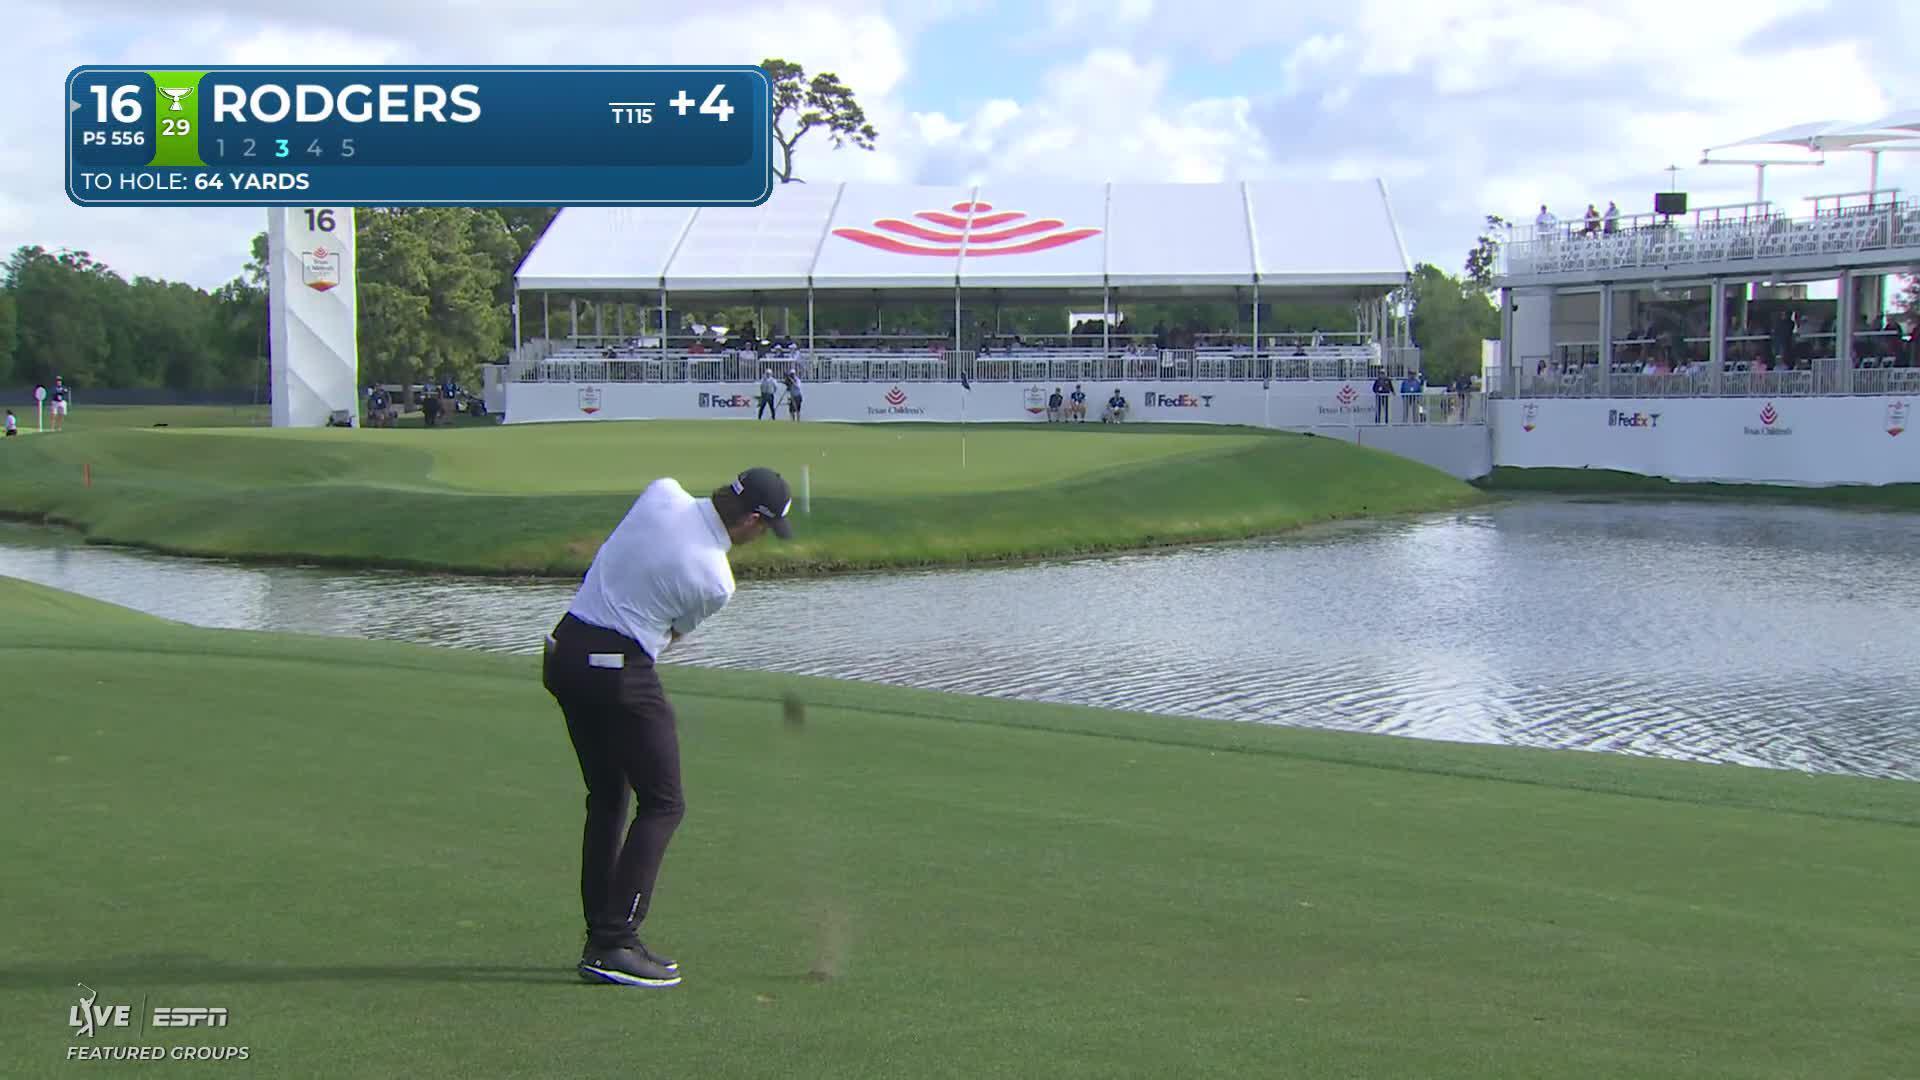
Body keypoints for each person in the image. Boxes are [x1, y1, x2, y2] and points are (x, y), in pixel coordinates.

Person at [546, 466, 795, 988]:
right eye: (765, 529)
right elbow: (670, 635)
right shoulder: (715, 578)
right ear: (752, 520)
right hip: (619, 671)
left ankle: (603, 937)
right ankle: (614, 941)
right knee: (664, 802)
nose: (761, 538)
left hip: (563, 651)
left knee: (608, 797)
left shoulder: (663, 492)